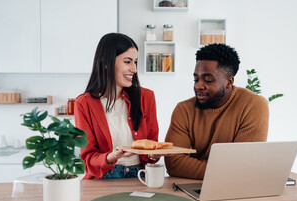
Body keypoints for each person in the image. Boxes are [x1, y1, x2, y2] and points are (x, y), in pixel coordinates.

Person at [164, 43, 269, 180]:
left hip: (236, 188)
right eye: (196, 79)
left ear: (229, 82)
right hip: (191, 187)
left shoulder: (252, 105)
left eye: (208, 80)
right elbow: (174, 163)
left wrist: (195, 167)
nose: (198, 86)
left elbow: (242, 166)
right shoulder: (183, 110)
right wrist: (223, 171)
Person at [75, 33, 159, 179]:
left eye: (135, 62)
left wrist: (153, 154)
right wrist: (111, 157)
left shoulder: (146, 97)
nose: (134, 69)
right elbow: (87, 159)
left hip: (140, 176)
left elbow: (152, 146)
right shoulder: (84, 104)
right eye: (127, 62)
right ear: (105, 62)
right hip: (104, 177)